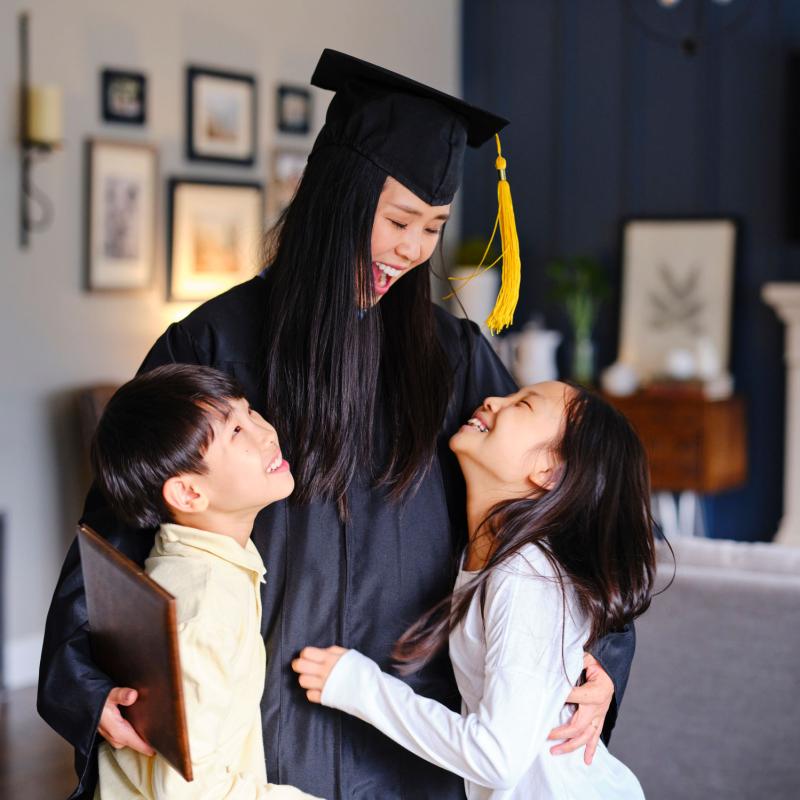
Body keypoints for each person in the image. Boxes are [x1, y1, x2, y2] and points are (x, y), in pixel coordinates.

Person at [38, 50, 635, 800]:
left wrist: (600, 660)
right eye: (398, 221)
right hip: (258, 746)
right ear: (340, 196)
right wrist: (86, 687)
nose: (414, 251)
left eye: (434, 228)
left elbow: (562, 509)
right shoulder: (213, 345)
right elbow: (115, 533)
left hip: (416, 748)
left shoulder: (454, 361)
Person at [293, 382, 654, 798]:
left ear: (548, 471)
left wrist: (359, 687)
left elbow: (497, 758)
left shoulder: (528, 575)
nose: (493, 400)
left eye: (522, 404)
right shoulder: (491, 558)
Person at [89, 365, 319, 799]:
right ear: (189, 494)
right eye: (235, 431)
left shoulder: (200, 562)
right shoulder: (204, 609)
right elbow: (190, 791)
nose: (265, 432)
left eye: (249, 412)